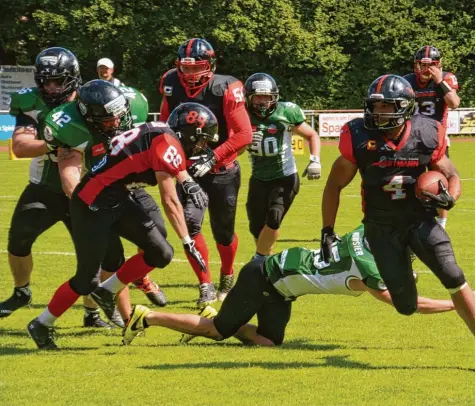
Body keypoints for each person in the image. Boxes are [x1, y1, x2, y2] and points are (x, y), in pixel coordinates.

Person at [27, 101, 216, 350]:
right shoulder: (168, 143)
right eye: (201, 140)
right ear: (188, 133)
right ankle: (41, 323)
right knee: (86, 279)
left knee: (160, 252)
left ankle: (107, 292)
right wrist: (187, 241)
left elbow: (166, 161)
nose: (202, 146)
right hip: (91, 203)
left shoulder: (164, 134)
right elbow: (170, 199)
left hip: (116, 197)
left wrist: (187, 179)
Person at [122, 224, 457, 347]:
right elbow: (406, 306)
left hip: (282, 289)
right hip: (264, 278)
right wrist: (457, 304)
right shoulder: (367, 266)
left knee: (267, 342)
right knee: (217, 331)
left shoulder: (366, 234)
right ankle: (146, 316)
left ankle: (221, 313)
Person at [319, 74, 474, 334]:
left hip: (420, 221)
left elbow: (451, 174)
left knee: (453, 276)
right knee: (405, 305)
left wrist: (452, 196)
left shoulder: (427, 132)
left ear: (404, 107)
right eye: (375, 106)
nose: (378, 113)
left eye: (386, 106)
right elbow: (334, 185)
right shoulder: (358, 136)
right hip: (381, 227)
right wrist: (327, 229)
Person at [0, 47, 111, 328]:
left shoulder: (90, 98)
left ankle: (91, 312)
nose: (51, 87)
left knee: (93, 253)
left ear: (72, 78)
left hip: (84, 186)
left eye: (58, 81)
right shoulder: (31, 102)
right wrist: (57, 142)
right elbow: (21, 146)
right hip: (44, 187)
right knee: (17, 242)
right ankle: (22, 291)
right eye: (46, 81)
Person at [43, 79, 167, 314]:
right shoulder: (70, 125)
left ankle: (140, 277)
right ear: (90, 117)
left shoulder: (135, 102)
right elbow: (70, 178)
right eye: (110, 118)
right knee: (112, 257)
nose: (118, 121)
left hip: (131, 182)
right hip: (99, 190)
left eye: (120, 114)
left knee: (158, 236)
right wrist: (91, 207)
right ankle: (121, 315)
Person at [158, 38, 252, 306]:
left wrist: (213, 157)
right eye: (184, 68)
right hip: (188, 168)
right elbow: (166, 125)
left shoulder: (226, 87)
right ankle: (205, 284)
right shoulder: (170, 82)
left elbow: (244, 134)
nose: (188, 75)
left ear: (209, 65)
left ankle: (227, 273)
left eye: (195, 68)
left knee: (223, 232)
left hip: (222, 167)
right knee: (189, 225)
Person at [243, 73, 321, 258]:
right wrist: (244, 141)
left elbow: (311, 135)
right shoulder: (242, 116)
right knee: (256, 226)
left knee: (274, 217)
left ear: (274, 97)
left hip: (284, 176)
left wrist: (315, 160)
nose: (262, 101)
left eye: (266, 97)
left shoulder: (285, 112)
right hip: (259, 178)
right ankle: (266, 257)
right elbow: (234, 151)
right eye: (258, 96)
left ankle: (259, 259)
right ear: (249, 98)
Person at [403, 45, 460, 230]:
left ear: (439, 65)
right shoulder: (407, 81)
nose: (426, 69)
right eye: (421, 65)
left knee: (441, 182)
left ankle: (440, 226)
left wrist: (439, 82)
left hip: (437, 141)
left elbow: (454, 103)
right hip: (412, 140)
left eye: (431, 65)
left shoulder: (446, 79)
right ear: (415, 65)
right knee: (411, 181)